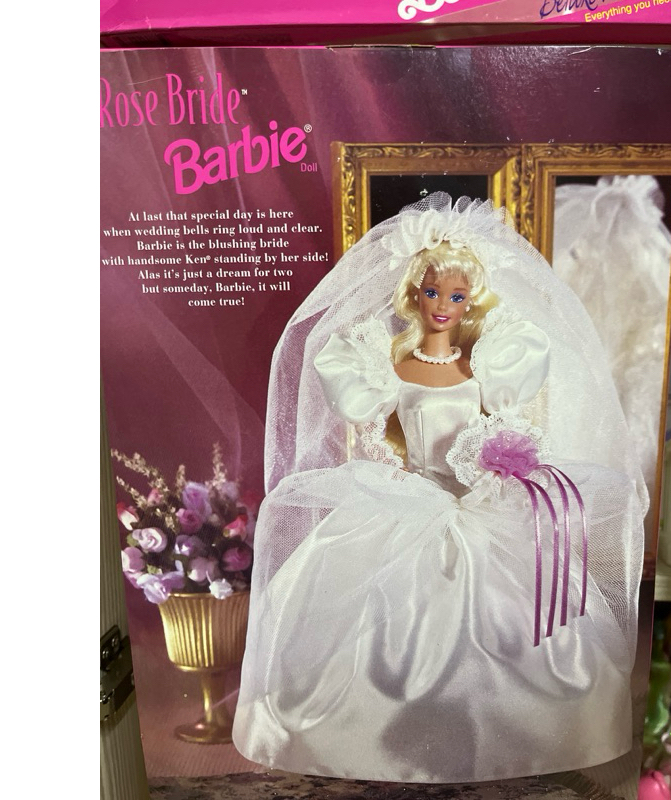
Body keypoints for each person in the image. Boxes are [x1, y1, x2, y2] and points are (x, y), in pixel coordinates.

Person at [233, 194, 647, 782]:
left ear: (471, 300)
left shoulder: (487, 366)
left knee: (510, 623)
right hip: (408, 496)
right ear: (414, 295)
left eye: (457, 296)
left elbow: (494, 427)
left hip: (478, 500)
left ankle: (507, 732)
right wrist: (401, 471)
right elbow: (381, 432)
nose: (444, 306)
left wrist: (498, 464)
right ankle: (384, 736)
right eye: (433, 293)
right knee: (384, 623)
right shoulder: (388, 367)